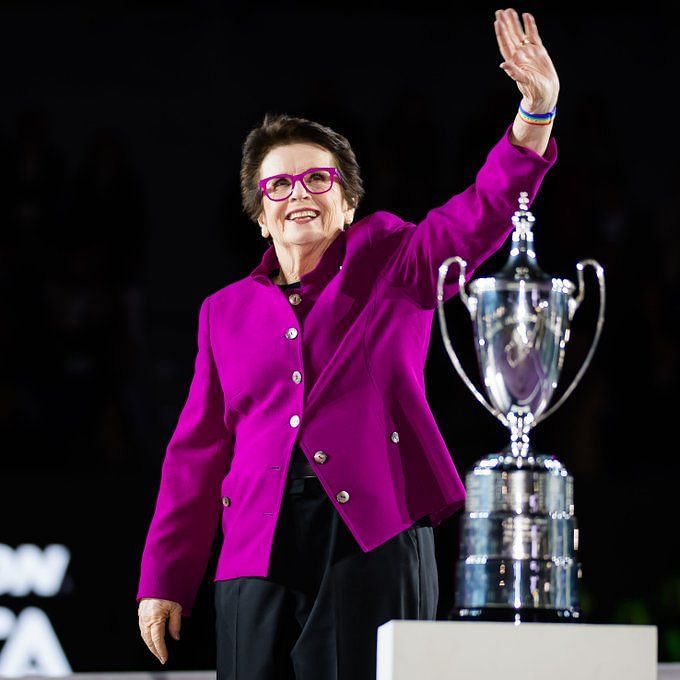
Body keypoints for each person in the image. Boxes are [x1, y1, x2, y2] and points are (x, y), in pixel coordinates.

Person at [137, 8, 560, 679]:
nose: (297, 193)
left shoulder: (394, 258)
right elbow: (197, 451)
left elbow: (480, 213)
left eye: (318, 179)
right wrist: (165, 575)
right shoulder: (224, 312)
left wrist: (535, 114)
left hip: (373, 538)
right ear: (258, 213)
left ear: (348, 202)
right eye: (277, 184)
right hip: (255, 547)